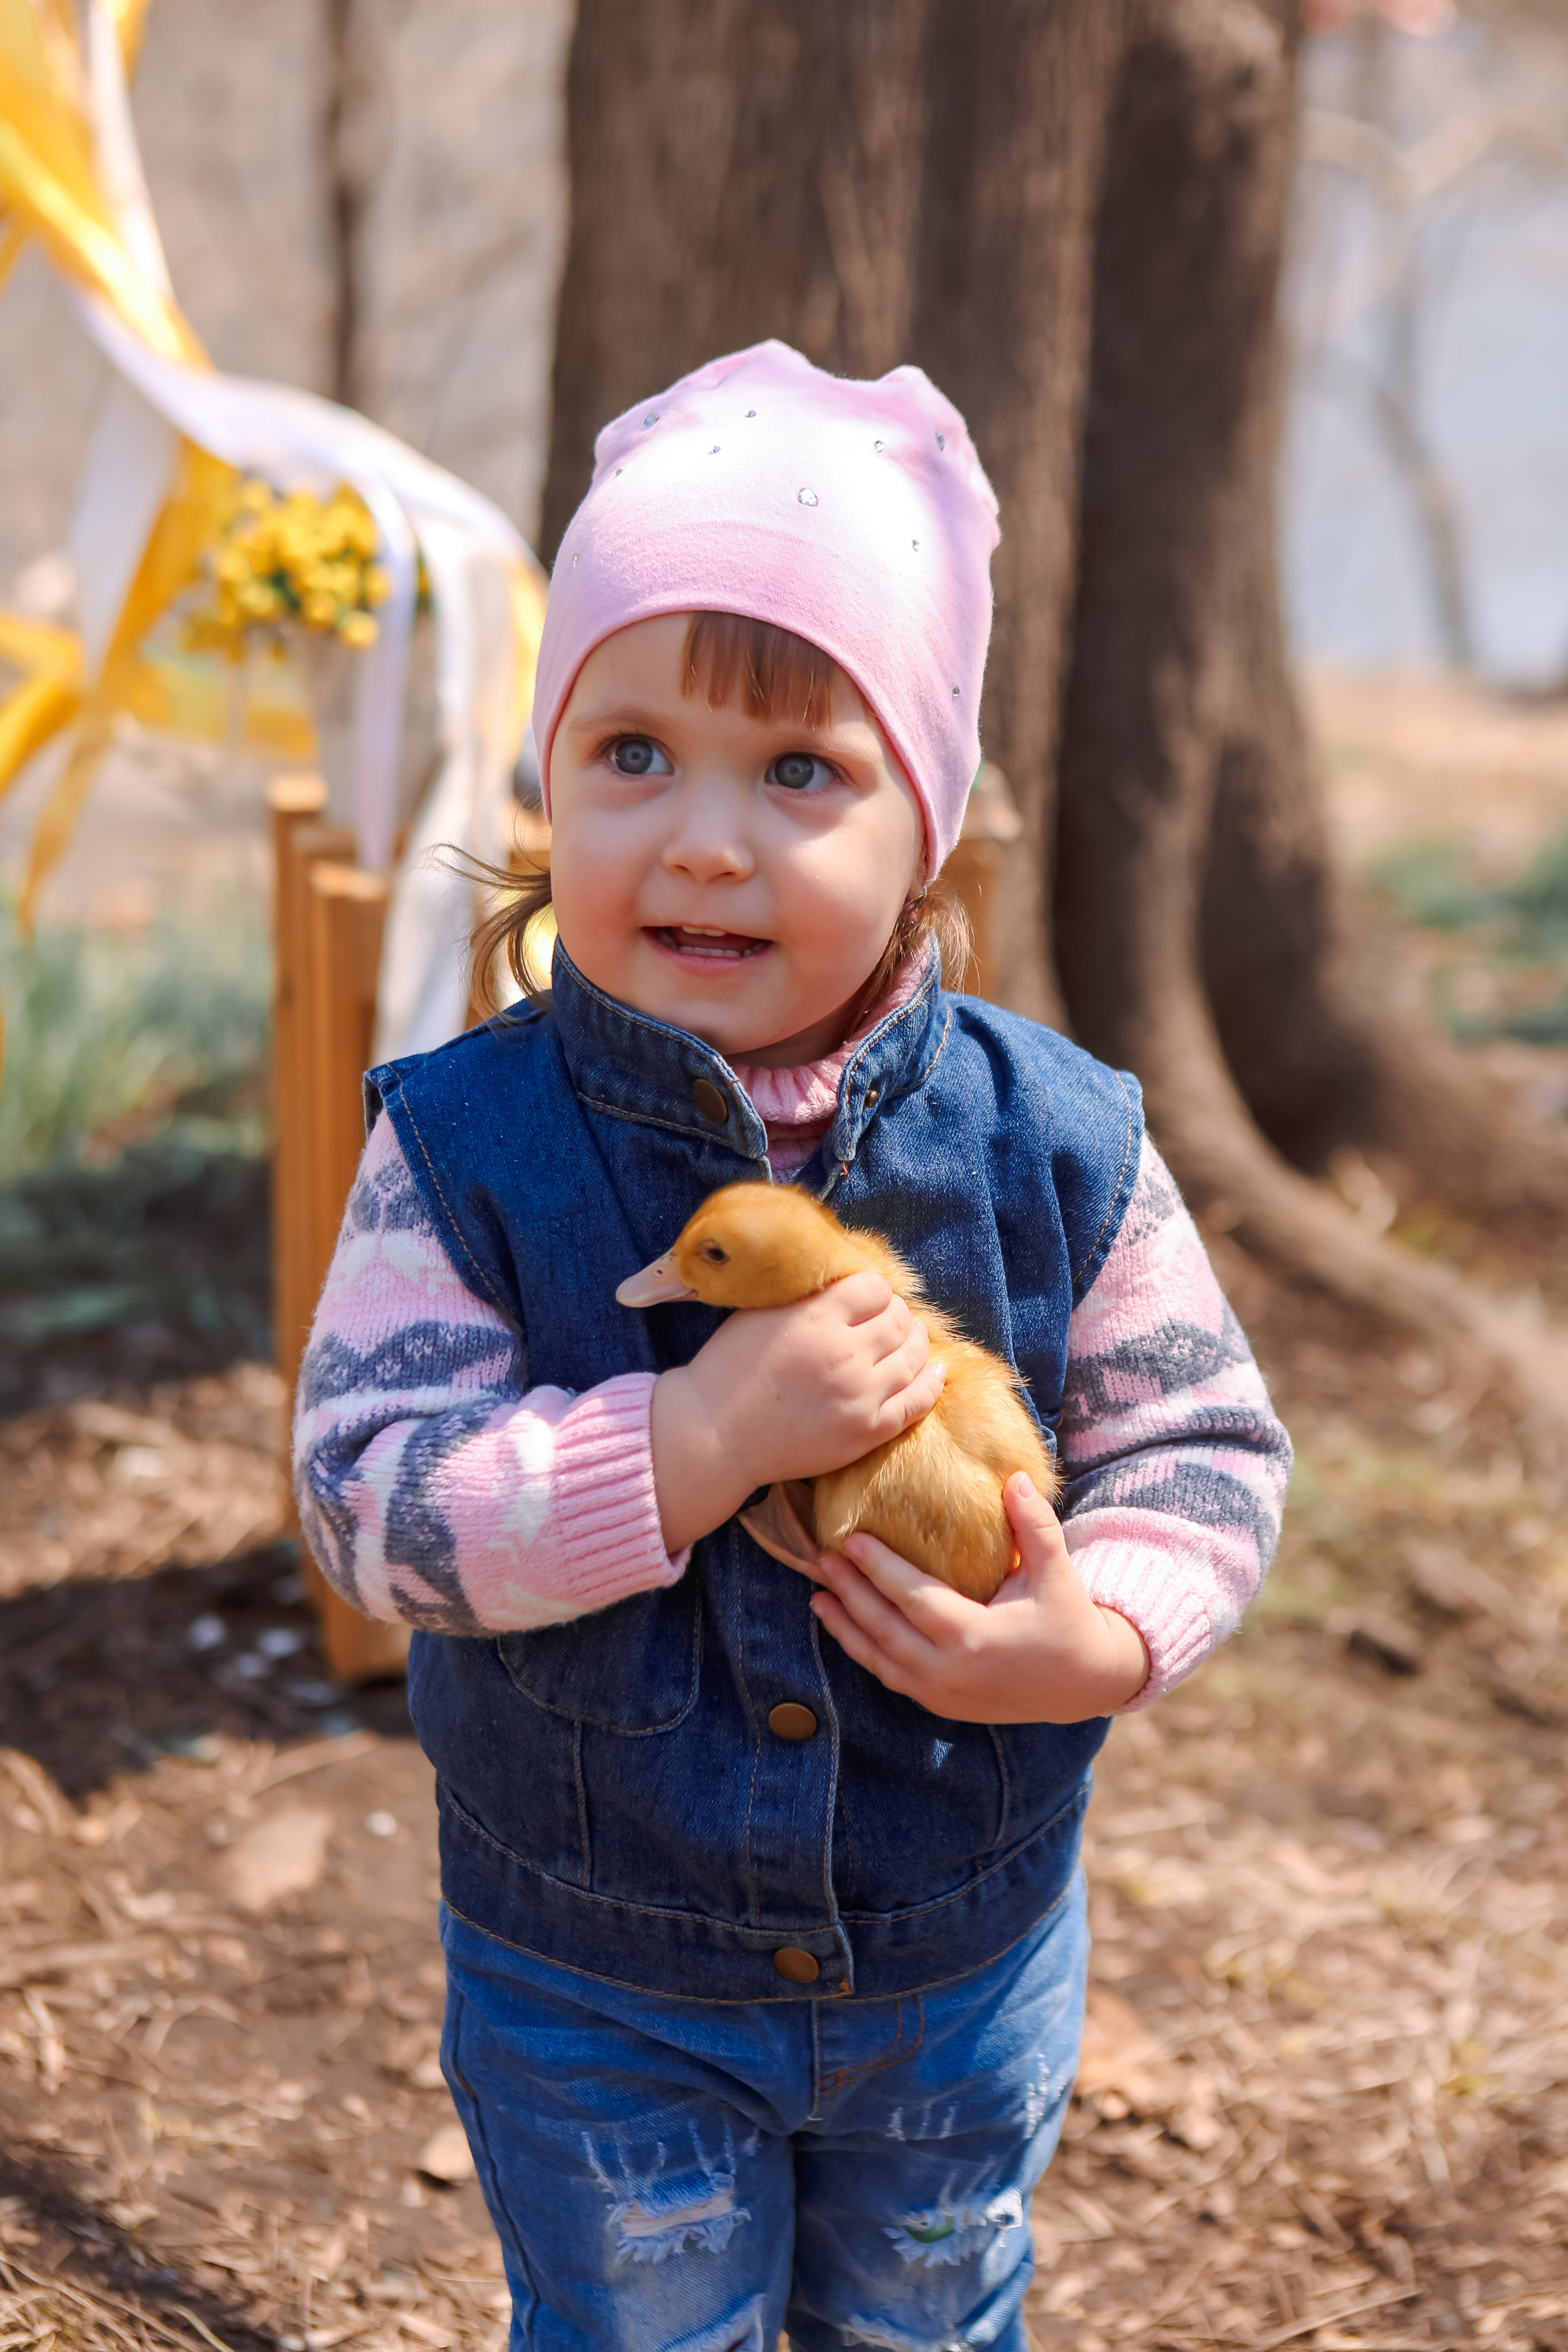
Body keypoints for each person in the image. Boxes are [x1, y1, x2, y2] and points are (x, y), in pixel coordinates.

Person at [295, 340, 1291, 2352]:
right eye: (632, 754)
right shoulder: (464, 1149)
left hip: (958, 1952)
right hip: (597, 1978)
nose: (706, 842)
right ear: (548, 780)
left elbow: (1204, 1447)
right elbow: (365, 1502)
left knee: (928, 2323)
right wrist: (680, 1442)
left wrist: (1091, 1639)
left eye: (802, 771)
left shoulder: (1056, 1140)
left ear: (926, 815)